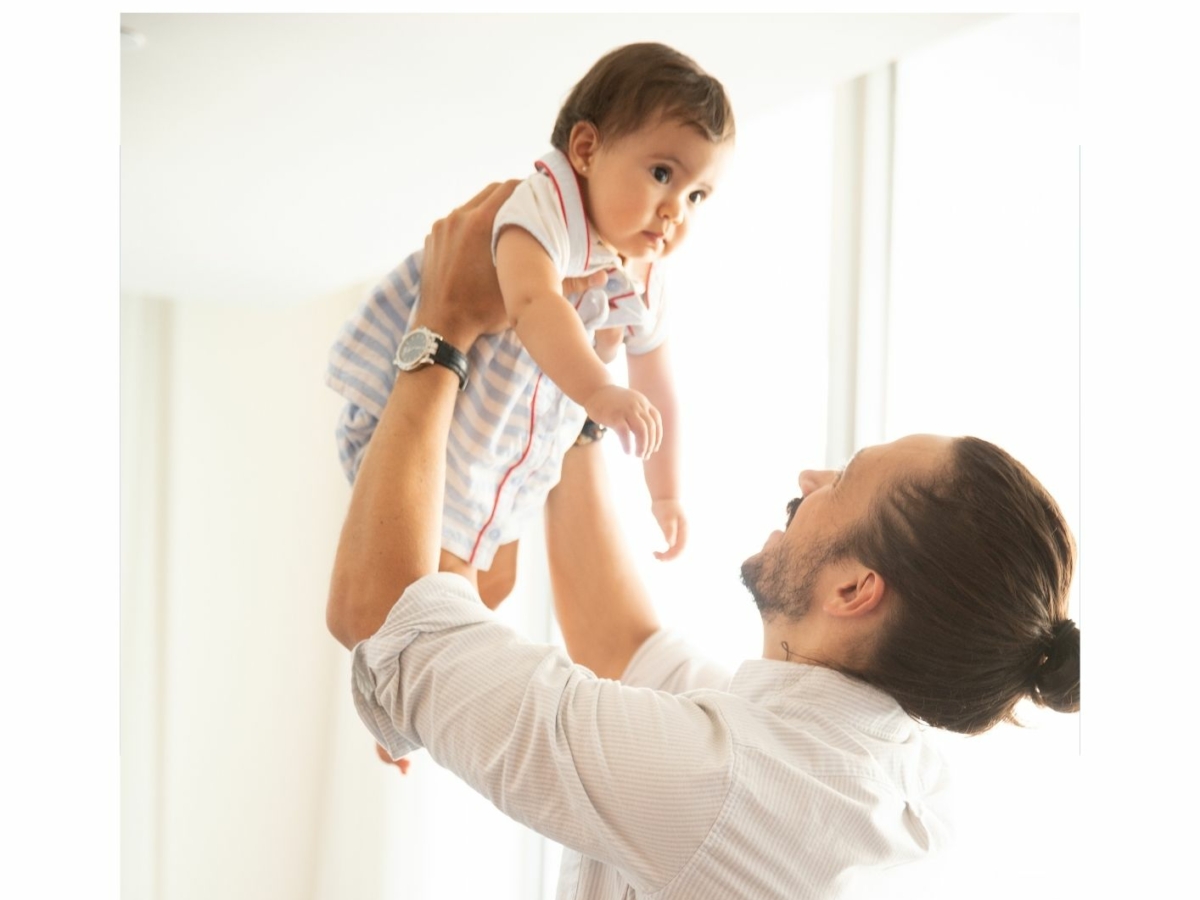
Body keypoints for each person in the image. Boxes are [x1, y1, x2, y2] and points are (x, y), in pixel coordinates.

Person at [326, 183, 1081, 898]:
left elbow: (383, 619)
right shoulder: (875, 772)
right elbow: (619, 643)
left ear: (855, 590)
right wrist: (583, 396)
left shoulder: (720, 787)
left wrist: (445, 327)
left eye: (847, 479)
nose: (811, 477)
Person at [326, 42, 735, 611]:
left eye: (696, 195)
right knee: (436, 594)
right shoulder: (544, 209)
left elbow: (657, 379)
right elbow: (532, 304)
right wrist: (599, 392)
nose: (676, 211)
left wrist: (664, 491)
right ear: (586, 150)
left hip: (507, 453)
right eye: (662, 174)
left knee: (496, 584)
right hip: (447, 428)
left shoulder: (643, 269)